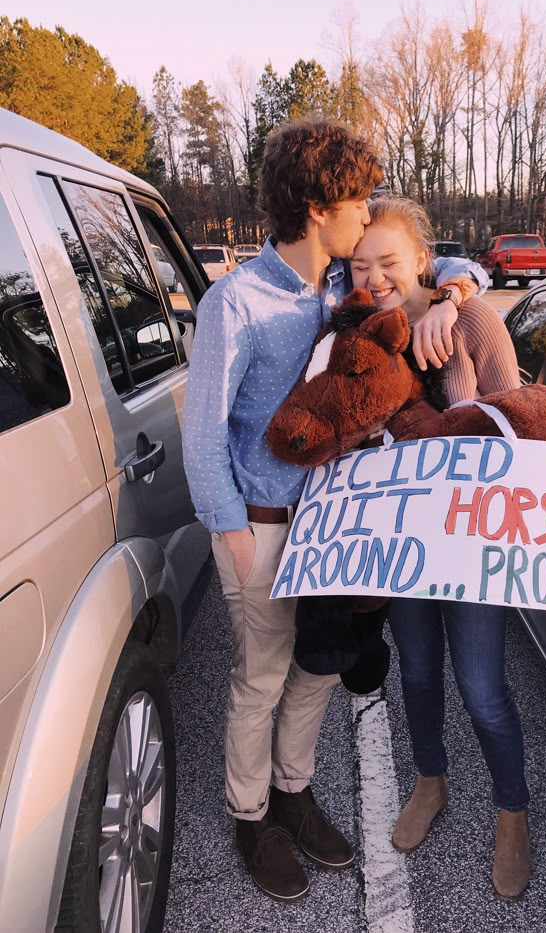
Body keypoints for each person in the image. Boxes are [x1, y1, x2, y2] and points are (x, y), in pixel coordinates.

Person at [181, 120, 485, 903]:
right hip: (259, 522)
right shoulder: (233, 302)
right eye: (356, 201)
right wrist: (230, 527)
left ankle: (294, 792)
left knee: (317, 671)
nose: (366, 213)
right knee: (262, 675)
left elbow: (440, 260)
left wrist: (454, 294)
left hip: (330, 522)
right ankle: (250, 818)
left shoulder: (337, 287)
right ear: (319, 209)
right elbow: (204, 429)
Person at [350, 195, 531, 900]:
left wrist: (456, 300)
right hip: (405, 547)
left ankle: (512, 811)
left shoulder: (474, 319)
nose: (376, 277)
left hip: (474, 543)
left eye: (389, 262)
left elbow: (517, 432)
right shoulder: (365, 332)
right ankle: (430, 780)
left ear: (423, 261)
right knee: (418, 673)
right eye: (361, 265)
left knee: (483, 690)